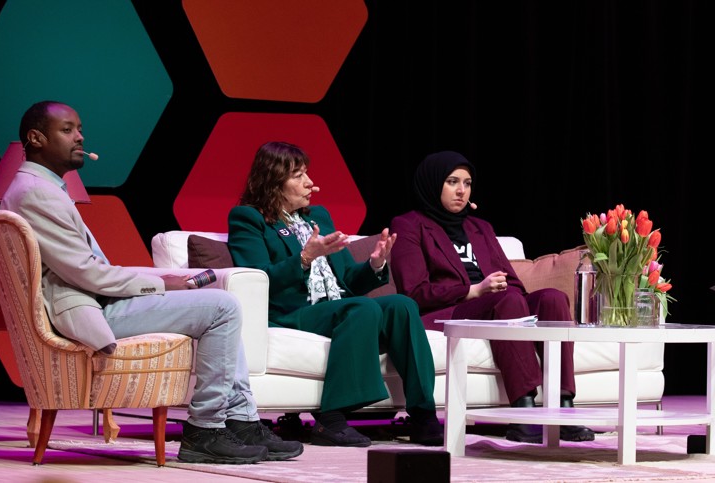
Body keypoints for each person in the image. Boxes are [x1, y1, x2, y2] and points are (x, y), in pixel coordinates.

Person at [0, 101, 304, 464]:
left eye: (80, 128)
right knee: (222, 307)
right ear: (35, 138)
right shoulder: (37, 192)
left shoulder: (41, 188)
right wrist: (160, 285)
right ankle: (206, 430)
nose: (80, 137)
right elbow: (87, 274)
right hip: (89, 309)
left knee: (222, 303)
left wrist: (162, 282)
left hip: (96, 300)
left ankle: (240, 420)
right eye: (67, 130)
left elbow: (86, 269)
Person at [226, 141, 443, 447]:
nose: (310, 183)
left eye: (307, 174)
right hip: (291, 313)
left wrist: (375, 263)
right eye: (298, 175)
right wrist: (304, 258)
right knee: (361, 309)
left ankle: (424, 416)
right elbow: (258, 278)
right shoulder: (249, 219)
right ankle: (332, 418)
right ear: (273, 180)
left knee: (402, 305)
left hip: (336, 309)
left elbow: (348, 281)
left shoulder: (319, 218)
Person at [389, 150, 595, 443]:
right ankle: (523, 412)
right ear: (433, 184)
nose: (462, 190)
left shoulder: (479, 227)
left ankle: (562, 406)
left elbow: (511, 281)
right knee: (508, 300)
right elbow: (415, 292)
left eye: (467, 183)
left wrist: (500, 290)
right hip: (446, 310)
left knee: (552, 298)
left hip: (492, 302)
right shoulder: (408, 225)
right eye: (452, 182)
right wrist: (474, 290)